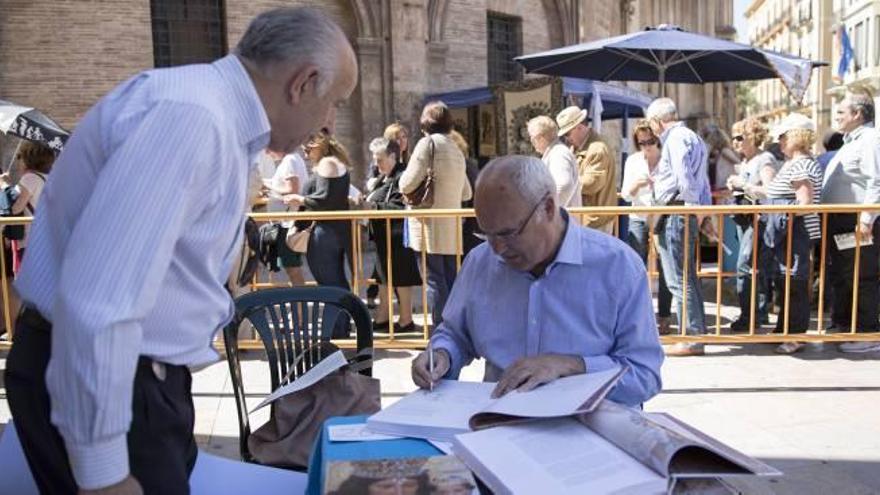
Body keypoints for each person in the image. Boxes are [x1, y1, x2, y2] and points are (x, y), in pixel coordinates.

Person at [5, 7, 357, 494]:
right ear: (303, 82)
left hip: (132, 384)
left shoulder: (203, 111)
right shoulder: (192, 118)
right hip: (113, 387)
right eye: (334, 102)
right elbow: (101, 299)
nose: (329, 121)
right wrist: (103, 472)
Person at [410, 155, 663, 407]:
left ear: (548, 208)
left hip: (588, 430)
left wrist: (572, 366)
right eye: (487, 234)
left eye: (508, 233)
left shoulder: (617, 266)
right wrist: (442, 355)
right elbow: (455, 333)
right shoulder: (480, 262)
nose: (497, 248)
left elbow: (644, 376)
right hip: (500, 425)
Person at [746, 114, 823, 354]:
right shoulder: (794, 164)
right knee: (785, 280)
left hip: (794, 232)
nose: (779, 142)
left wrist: (781, 215)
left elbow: (804, 201)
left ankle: (795, 335)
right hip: (786, 232)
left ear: (796, 137)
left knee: (794, 282)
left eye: (783, 137)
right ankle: (783, 330)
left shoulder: (801, 164)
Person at [645, 98, 712, 357]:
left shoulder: (675, 138)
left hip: (677, 211)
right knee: (686, 278)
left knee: (679, 279)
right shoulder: (692, 136)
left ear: (657, 120)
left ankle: (692, 338)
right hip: (683, 210)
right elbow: (699, 179)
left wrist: (692, 207)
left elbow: (685, 178)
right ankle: (694, 334)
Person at [399, 101, 472, 328]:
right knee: (449, 278)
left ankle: (441, 330)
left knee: (433, 280)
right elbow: (467, 191)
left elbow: (406, 183)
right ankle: (454, 328)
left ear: (425, 123)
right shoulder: (455, 148)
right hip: (451, 225)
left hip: (428, 224)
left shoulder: (427, 144)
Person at [822, 93, 880, 352]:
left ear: (857, 114)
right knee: (846, 274)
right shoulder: (851, 141)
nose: (837, 117)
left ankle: (868, 333)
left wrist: (866, 219)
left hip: (858, 220)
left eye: (841, 113)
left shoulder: (870, 140)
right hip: (843, 220)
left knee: (863, 275)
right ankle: (846, 325)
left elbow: (876, 181)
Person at [285, 132, 354, 337]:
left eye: (308, 148)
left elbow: (325, 199)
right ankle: (339, 328)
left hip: (326, 232)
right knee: (335, 281)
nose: (305, 153)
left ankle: (336, 331)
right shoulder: (332, 163)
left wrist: (300, 199)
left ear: (320, 145)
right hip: (333, 231)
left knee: (330, 282)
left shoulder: (327, 164)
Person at [725, 118, 779, 331]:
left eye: (740, 137)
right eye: (734, 138)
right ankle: (759, 313)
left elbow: (769, 190)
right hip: (746, 218)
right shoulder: (746, 161)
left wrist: (743, 185)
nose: (735, 142)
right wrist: (736, 188)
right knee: (756, 267)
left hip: (760, 219)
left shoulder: (764, 159)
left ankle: (750, 316)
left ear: (753, 137)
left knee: (745, 266)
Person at [365, 137, 422, 333]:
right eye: (374, 159)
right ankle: (383, 316)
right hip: (384, 236)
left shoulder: (402, 175)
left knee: (402, 277)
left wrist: (372, 206)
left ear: (392, 157)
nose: (376, 163)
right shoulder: (384, 176)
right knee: (383, 277)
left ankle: (406, 320)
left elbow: (399, 206)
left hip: (398, 235)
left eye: (379, 159)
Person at [621, 120, 673, 335]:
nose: (646, 146)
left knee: (666, 268)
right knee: (636, 268)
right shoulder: (633, 161)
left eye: (650, 141)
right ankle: (639, 316)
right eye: (641, 142)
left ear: (657, 140)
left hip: (662, 216)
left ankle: (664, 316)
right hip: (639, 216)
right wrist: (637, 185)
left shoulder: (667, 160)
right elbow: (625, 194)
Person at [556, 106, 616, 233]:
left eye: (568, 133)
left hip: (595, 220)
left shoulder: (597, 149)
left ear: (580, 127)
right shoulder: (578, 148)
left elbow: (592, 183)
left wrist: (564, 183)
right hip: (585, 219)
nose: (567, 138)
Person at [264, 149, 310, 286]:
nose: (267, 152)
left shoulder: (290, 160)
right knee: (292, 268)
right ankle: (300, 305)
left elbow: (292, 191)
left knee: (292, 268)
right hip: (287, 221)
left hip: (287, 223)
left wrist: (269, 187)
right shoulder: (292, 159)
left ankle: (300, 306)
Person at [527, 115, 581, 208]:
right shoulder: (556, 152)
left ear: (540, 138)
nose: (532, 142)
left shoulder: (558, 153)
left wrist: (546, 209)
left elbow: (563, 186)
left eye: (532, 138)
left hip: (562, 219)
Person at [700, 124, 740, 192]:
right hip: (720, 186)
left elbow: (738, 163)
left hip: (725, 186)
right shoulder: (718, 153)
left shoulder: (725, 151)